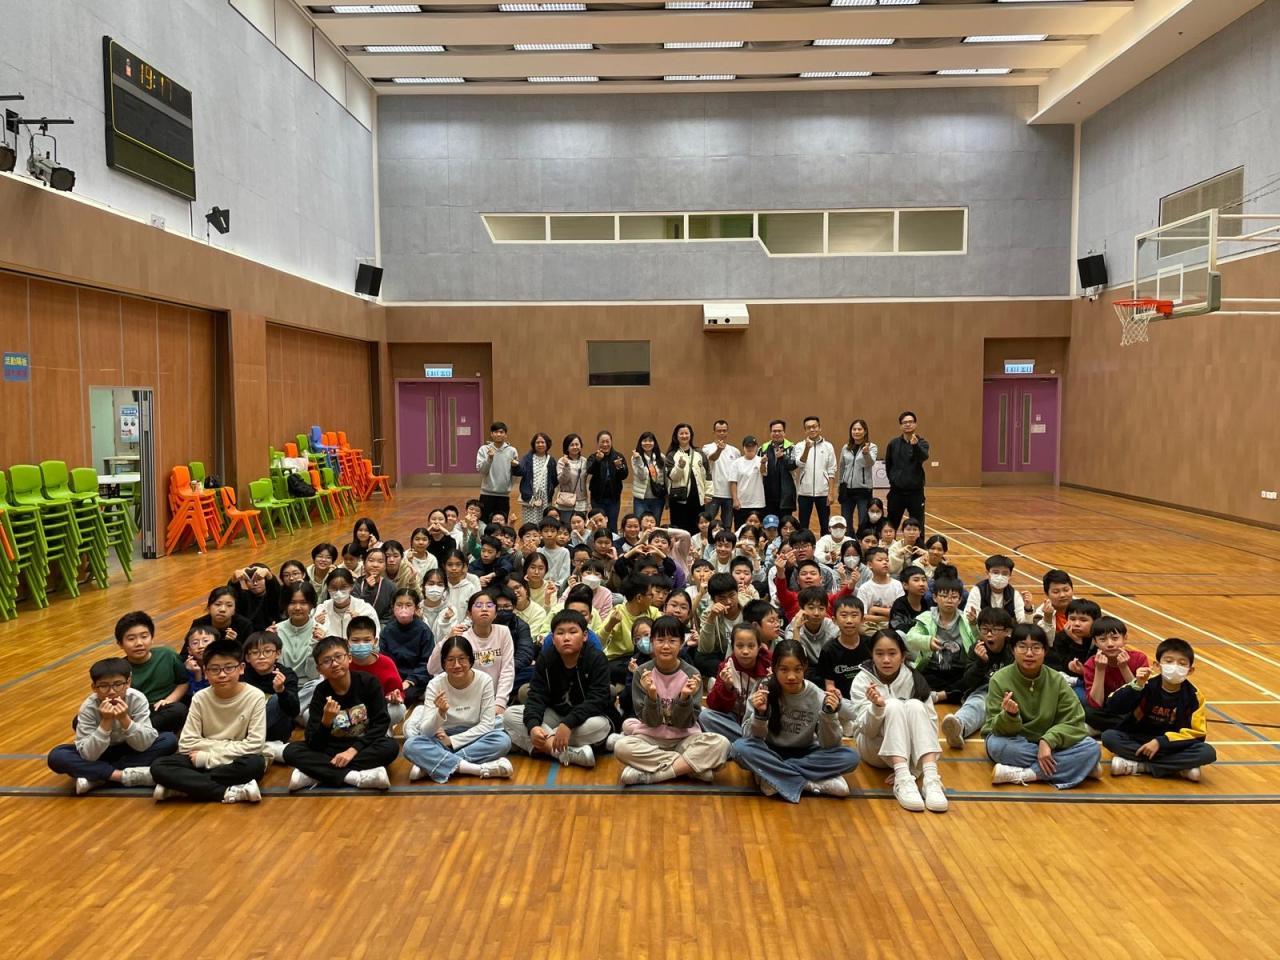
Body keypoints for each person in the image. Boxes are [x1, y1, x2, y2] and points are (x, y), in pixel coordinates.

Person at [730, 640, 859, 803]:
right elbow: (749, 737)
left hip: (805, 753)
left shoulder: (816, 694)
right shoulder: (763, 689)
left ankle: (772, 776)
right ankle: (809, 784)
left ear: (805, 667)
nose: (791, 676)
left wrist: (829, 715)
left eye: (797, 669)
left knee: (851, 757)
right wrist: (760, 715)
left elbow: (830, 745)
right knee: (739, 749)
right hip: (770, 751)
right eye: (784, 670)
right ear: (774, 668)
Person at [614, 616, 731, 785]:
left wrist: (684, 698)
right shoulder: (642, 673)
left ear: (682, 643)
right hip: (650, 738)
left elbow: (685, 723)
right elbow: (650, 722)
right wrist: (651, 695)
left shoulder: (692, 674)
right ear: (652, 642)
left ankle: (653, 775)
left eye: (672, 640)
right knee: (621, 747)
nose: (666, 646)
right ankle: (689, 767)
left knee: (722, 744)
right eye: (660, 640)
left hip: (684, 738)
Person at [983, 623, 1102, 788]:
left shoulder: (1057, 680)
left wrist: (1047, 741)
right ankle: (1076, 765)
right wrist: (1009, 716)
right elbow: (995, 728)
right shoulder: (999, 679)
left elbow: (1075, 722)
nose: (1029, 653)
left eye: (1036, 647)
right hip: (1017, 742)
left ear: (1045, 651)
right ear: (1012, 650)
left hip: (1052, 742)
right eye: (1022, 647)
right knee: (995, 745)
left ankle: (1027, 774)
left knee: (1091, 747)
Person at [150, 638, 267, 804]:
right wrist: (215, 752)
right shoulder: (200, 698)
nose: (222, 674)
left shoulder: (255, 696)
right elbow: (186, 743)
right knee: (159, 766)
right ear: (205, 671)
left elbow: (255, 744)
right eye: (214, 669)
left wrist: (207, 758)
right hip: (218, 756)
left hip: (227, 759)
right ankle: (226, 792)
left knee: (255, 764)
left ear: (241, 668)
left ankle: (183, 786)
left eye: (229, 668)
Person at [848, 630, 947, 812]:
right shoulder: (861, 681)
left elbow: (931, 725)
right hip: (874, 748)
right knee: (892, 705)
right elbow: (865, 730)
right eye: (879, 654)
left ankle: (931, 779)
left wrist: (916, 770)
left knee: (915, 705)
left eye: (892, 653)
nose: (886, 660)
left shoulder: (914, 678)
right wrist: (877, 708)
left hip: (910, 753)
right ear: (872, 655)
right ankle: (902, 779)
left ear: (903, 656)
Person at [47, 657, 178, 794]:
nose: (111, 691)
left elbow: (143, 745)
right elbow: (89, 755)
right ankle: (122, 776)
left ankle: (97, 777)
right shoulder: (88, 707)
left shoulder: (137, 699)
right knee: (57, 756)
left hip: (131, 748)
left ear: (128, 683)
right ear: (94, 688)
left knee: (169, 740)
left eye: (118, 684)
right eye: (104, 686)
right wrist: (106, 722)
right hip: (102, 752)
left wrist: (124, 719)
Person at [283, 637, 398, 791]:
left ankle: (316, 775)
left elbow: (381, 723)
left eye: (338, 657)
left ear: (349, 658)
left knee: (390, 747)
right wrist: (326, 722)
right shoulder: (321, 692)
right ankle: (355, 777)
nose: (335, 664)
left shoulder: (369, 682)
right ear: (319, 669)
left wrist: (352, 750)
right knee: (291, 751)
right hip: (331, 747)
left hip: (362, 745)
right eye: (327, 661)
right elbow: (313, 742)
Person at [504, 610, 613, 768]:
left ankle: (538, 745)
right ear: (553, 638)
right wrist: (533, 726)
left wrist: (568, 724)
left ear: (585, 636)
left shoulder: (596, 658)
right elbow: (536, 696)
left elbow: (598, 700)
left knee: (600, 726)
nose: (566, 638)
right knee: (510, 715)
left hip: (584, 719)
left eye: (573, 632)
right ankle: (562, 752)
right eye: (560, 633)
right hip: (555, 714)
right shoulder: (546, 658)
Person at [1103, 637, 1216, 781]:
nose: (1175, 666)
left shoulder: (1194, 696)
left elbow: (1198, 735)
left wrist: (1160, 742)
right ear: (1157, 665)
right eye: (1169, 661)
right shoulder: (1144, 684)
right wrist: (1137, 686)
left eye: (1182, 663)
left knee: (1207, 752)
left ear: (1190, 670)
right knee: (1109, 737)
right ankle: (1177, 767)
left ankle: (1139, 766)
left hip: (1171, 744)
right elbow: (1112, 706)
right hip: (1139, 738)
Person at [403, 637, 514, 782]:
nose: (456, 665)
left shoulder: (484, 680)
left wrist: (452, 741)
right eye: (450, 660)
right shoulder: (435, 684)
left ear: (470, 660)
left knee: (502, 741)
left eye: (462, 659)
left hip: (474, 735)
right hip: (442, 737)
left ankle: (432, 766)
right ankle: (477, 769)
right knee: (410, 745)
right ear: (443, 663)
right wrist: (439, 714)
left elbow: (487, 724)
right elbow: (426, 732)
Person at [941, 608, 1015, 749]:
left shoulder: (1014, 648)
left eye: (995, 630)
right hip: (984, 691)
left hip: (1011, 693)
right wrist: (981, 663)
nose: (989, 634)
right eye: (984, 629)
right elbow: (968, 681)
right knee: (977, 705)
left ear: (1007, 631)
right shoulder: (976, 648)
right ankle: (958, 728)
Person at [430, 592, 516, 712]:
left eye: (489, 605)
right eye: (478, 605)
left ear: (495, 613)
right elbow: (432, 668)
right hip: (466, 701)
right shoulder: (462, 637)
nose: (484, 609)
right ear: (469, 614)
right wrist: (447, 639)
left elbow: (507, 670)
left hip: (494, 700)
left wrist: (500, 703)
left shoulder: (503, 632)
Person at [114, 611, 188, 735]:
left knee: (179, 710)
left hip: (162, 709)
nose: (139, 643)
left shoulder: (167, 655)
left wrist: (168, 700)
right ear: (120, 644)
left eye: (144, 636)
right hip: (134, 714)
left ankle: (137, 734)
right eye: (131, 639)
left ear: (152, 638)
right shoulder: (119, 669)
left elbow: (183, 682)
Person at [903, 577, 976, 704]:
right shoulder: (926, 618)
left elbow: (978, 643)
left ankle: (940, 695)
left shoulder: (967, 620)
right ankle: (951, 694)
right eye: (944, 596)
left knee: (972, 679)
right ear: (935, 598)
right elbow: (910, 638)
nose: (949, 600)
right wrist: (928, 641)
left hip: (959, 670)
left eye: (954, 597)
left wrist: (975, 626)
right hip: (933, 669)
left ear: (960, 600)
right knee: (913, 679)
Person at [700, 623, 772, 741]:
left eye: (751, 646)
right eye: (739, 646)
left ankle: (742, 743)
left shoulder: (770, 666)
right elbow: (714, 706)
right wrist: (726, 687)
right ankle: (746, 742)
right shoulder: (727, 667)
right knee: (705, 716)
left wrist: (774, 683)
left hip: (759, 721)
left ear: (759, 647)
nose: (745, 651)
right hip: (734, 721)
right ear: (732, 647)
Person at [1083, 616, 1150, 731]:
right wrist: (1100, 670)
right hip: (1108, 710)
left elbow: (1139, 698)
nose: (1110, 644)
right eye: (1102, 639)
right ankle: (1128, 728)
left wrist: (1124, 667)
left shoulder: (1139, 658)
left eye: (1115, 638)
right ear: (1095, 642)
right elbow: (1096, 704)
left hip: (1132, 709)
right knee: (1087, 712)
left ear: (1125, 638)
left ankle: (1106, 729)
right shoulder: (1091, 663)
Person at [241, 631, 299, 757]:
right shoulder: (241, 674)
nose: (261, 656)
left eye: (267, 651)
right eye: (255, 652)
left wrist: (281, 691)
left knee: (276, 699)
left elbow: (294, 711)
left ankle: (251, 744)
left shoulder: (286, 674)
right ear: (247, 657)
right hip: (247, 725)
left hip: (275, 731)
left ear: (277, 653)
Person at [346, 617, 407, 729]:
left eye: (366, 640)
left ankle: (378, 730)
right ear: (348, 642)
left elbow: (399, 692)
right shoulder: (343, 663)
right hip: (348, 712)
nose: (361, 644)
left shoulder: (386, 663)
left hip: (377, 711)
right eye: (355, 640)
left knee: (398, 709)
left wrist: (394, 697)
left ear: (375, 641)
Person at [380, 588, 435, 708]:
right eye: (399, 605)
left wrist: (410, 681)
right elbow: (384, 660)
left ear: (416, 608)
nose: (403, 609)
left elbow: (427, 662)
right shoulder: (387, 631)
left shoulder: (424, 631)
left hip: (416, 678)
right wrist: (393, 681)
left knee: (405, 697)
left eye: (408, 605)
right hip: (393, 676)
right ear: (393, 607)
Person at [884, 411, 930, 533]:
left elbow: (923, 457)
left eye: (910, 422)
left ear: (915, 424)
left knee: (918, 526)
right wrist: (894, 479)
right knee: (891, 525)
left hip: (916, 493)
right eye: (904, 422)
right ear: (901, 426)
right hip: (896, 493)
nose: (908, 424)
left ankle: (918, 546)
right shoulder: (893, 444)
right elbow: (889, 465)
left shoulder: (922, 443)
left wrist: (915, 446)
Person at [665, 423, 712, 534]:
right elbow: (672, 477)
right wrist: (679, 467)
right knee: (680, 531)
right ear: (676, 436)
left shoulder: (699, 453)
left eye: (686, 433)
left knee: (697, 530)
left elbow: (707, 474)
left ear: (691, 435)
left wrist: (708, 493)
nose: (684, 436)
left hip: (697, 499)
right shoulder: (671, 455)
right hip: (678, 500)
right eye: (681, 433)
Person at [792, 416, 837, 535]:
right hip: (804, 493)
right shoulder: (799, 446)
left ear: (819, 428)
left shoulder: (828, 446)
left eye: (814, 427)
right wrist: (807, 449)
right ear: (805, 430)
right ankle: (804, 544)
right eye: (808, 428)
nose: (812, 429)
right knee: (803, 525)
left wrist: (830, 493)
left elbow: (832, 470)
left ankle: (824, 545)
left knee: (825, 524)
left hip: (823, 493)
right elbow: (799, 464)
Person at [696, 572, 743, 681]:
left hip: (746, 652)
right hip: (723, 656)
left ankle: (726, 678)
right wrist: (711, 619)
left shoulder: (748, 606)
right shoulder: (708, 613)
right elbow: (705, 649)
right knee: (700, 659)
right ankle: (728, 678)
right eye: (722, 598)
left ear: (737, 592)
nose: (729, 602)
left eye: (732, 595)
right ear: (713, 600)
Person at [963, 554, 1034, 625]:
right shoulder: (977, 591)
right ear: (987, 573)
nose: (1000, 576)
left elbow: (1026, 625)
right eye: (995, 572)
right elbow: (969, 617)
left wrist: (1028, 608)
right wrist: (973, 620)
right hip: (983, 630)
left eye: (1005, 573)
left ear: (1010, 575)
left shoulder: (1014, 594)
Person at [583, 430, 628, 534]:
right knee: (598, 524)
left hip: (614, 498)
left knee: (612, 525)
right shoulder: (593, 457)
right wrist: (597, 461)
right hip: (597, 498)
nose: (605, 444)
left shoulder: (618, 456)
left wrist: (619, 467)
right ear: (598, 443)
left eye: (607, 441)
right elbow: (589, 470)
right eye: (602, 442)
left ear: (611, 442)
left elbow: (624, 476)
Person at [476, 420, 522, 524]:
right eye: (496, 432)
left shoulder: (512, 451)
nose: (498, 434)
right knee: (485, 524)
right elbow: (482, 471)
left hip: (504, 495)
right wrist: (489, 459)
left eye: (501, 432)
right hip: (486, 494)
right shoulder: (484, 449)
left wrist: (508, 486)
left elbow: (515, 473)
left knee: (501, 525)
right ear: (491, 434)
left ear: (505, 434)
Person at [315, 568, 380, 639]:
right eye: (334, 588)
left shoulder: (364, 609)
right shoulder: (322, 609)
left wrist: (361, 623)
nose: (338, 592)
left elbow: (375, 638)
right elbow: (312, 640)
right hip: (330, 646)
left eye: (343, 587)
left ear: (352, 586)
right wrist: (316, 624)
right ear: (328, 588)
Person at [856, 546, 905, 637]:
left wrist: (874, 610)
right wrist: (886, 617)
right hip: (872, 626)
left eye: (887, 560)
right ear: (870, 565)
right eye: (880, 560)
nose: (885, 562)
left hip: (894, 625)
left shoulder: (897, 585)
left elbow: (901, 613)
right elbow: (863, 616)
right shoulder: (865, 588)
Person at [701, 419, 741, 530]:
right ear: (714, 432)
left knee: (727, 526)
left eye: (724, 431)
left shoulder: (735, 451)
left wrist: (736, 496)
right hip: (712, 493)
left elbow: (737, 473)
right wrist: (719, 450)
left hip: (729, 495)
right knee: (708, 524)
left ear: (727, 432)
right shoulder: (707, 448)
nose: (722, 433)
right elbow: (712, 458)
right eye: (719, 431)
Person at [838, 419, 877, 531]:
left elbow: (870, 463)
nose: (856, 431)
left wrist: (866, 453)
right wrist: (840, 484)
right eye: (854, 429)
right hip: (847, 490)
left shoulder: (872, 447)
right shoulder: (846, 447)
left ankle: (862, 539)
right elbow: (842, 467)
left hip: (863, 490)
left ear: (865, 431)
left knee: (863, 521)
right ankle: (850, 539)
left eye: (859, 429)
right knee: (846, 521)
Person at [517, 431, 556, 526]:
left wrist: (550, 489)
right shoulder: (527, 458)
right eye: (537, 442)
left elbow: (554, 479)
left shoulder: (551, 460)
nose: (540, 444)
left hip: (545, 497)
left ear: (547, 444)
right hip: (530, 496)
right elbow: (519, 472)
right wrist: (515, 466)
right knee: (530, 523)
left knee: (544, 523)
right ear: (533, 444)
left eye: (543, 442)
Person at [630, 431, 668, 524]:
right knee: (639, 525)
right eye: (645, 441)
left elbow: (666, 479)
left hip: (658, 498)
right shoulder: (635, 458)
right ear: (640, 443)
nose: (647, 443)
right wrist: (639, 460)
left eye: (650, 441)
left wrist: (667, 498)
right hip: (641, 499)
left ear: (654, 443)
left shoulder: (661, 457)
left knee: (655, 525)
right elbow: (642, 476)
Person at [353, 546, 395, 622]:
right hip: (359, 622)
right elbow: (356, 608)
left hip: (382, 624)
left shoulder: (390, 586)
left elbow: (391, 614)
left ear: (385, 565)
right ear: (364, 563)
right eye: (371, 561)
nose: (375, 565)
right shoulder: (356, 584)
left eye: (380, 562)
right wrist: (368, 589)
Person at [889, 566, 933, 636]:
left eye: (924, 580)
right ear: (905, 585)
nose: (922, 584)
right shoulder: (899, 605)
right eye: (916, 580)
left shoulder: (929, 602)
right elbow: (898, 629)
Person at [556, 434, 590, 520]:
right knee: (566, 526)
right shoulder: (562, 461)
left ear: (581, 446)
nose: (575, 447)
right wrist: (566, 466)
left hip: (581, 501)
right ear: (567, 448)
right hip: (566, 501)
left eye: (577, 444)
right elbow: (562, 481)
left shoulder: (584, 461)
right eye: (572, 445)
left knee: (580, 525)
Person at [537, 517, 571, 586]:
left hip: (558, 588)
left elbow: (565, 576)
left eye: (553, 531)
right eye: (546, 531)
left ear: (557, 533)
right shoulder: (538, 551)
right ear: (540, 533)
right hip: (540, 586)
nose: (549, 534)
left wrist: (556, 586)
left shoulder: (564, 552)